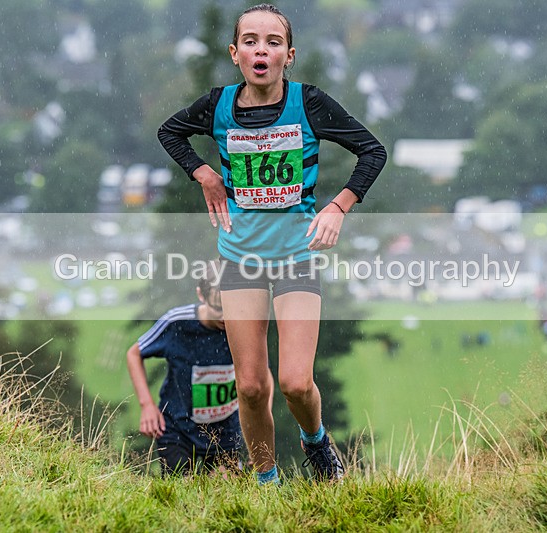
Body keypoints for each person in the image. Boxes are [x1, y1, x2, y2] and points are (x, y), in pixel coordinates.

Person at [158, 3, 386, 484]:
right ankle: (266, 481)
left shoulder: (309, 103)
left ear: (289, 55)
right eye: (251, 41)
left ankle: (316, 442)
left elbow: (372, 151)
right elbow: (171, 132)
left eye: (273, 42)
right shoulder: (218, 106)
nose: (262, 49)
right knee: (252, 387)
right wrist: (205, 174)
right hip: (240, 260)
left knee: (295, 383)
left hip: (296, 258)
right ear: (235, 53)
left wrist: (338, 206)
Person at [126, 270, 244, 475]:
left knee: (227, 495)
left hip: (226, 433)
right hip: (176, 429)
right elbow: (134, 354)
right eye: (218, 307)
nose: (226, 316)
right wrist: (147, 405)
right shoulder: (177, 323)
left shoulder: (244, 326)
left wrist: (257, 434)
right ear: (201, 295)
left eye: (231, 307)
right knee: (181, 493)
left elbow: (261, 380)